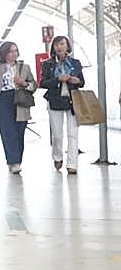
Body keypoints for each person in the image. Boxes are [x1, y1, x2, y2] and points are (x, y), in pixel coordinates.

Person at [0, 41, 37, 174]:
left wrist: (24, 83)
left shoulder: (24, 67)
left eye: (15, 51)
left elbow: (34, 85)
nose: (13, 54)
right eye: (10, 51)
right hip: (4, 99)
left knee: (20, 131)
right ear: (4, 53)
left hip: (20, 99)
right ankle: (13, 162)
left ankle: (16, 160)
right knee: (8, 132)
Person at [39, 35, 84, 174]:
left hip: (72, 101)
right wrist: (58, 79)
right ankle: (57, 156)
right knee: (57, 134)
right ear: (53, 47)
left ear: (67, 46)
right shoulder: (47, 64)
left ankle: (72, 164)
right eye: (57, 44)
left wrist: (76, 81)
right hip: (55, 100)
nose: (59, 47)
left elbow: (82, 82)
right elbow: (43, 83)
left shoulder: (75, 63)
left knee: (73, 134)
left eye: (62, 44)